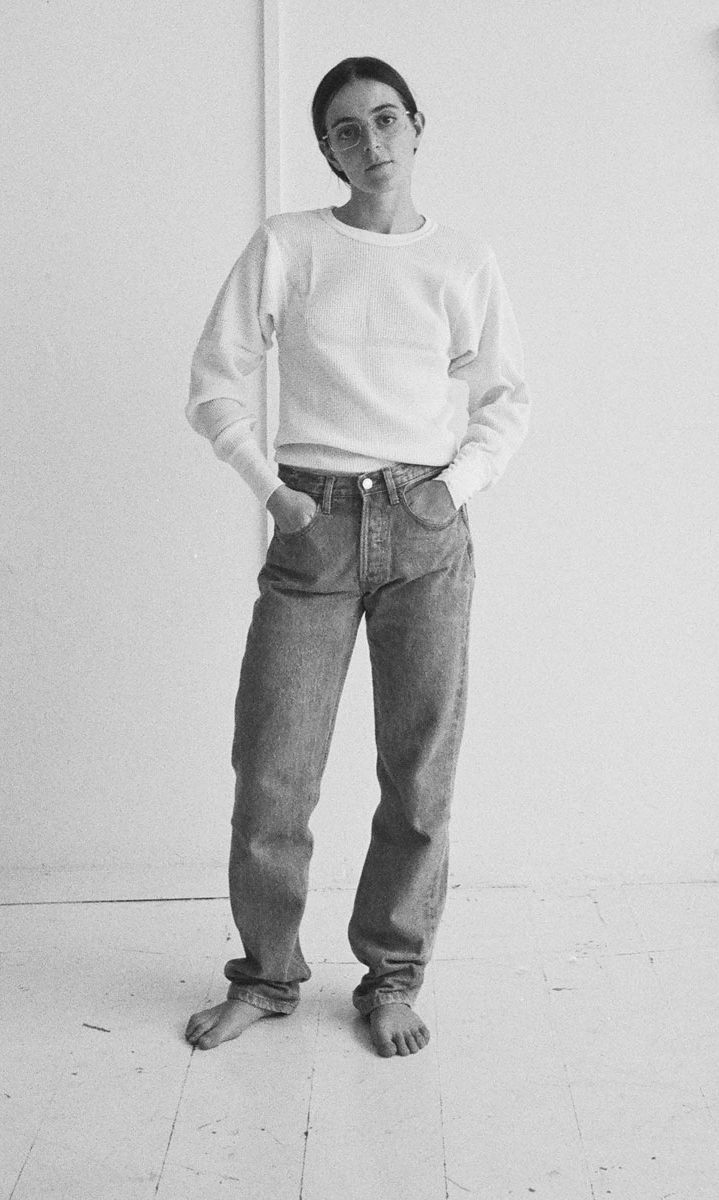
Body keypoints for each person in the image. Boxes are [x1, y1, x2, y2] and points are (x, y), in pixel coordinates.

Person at [183, 56, 529, 1058]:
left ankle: (391, 977)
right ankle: (266, 976)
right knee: (273, 768)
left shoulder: (460, 259)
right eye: (345, 130)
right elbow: (213, 381)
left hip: (425, 526)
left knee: (418, 771)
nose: (370, 142)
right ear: (327, 152)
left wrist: (454, 486)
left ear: (417, 125)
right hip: (314, 522)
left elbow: (506, 396)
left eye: (385, 119)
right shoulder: (289, 246)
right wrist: (272, 489)